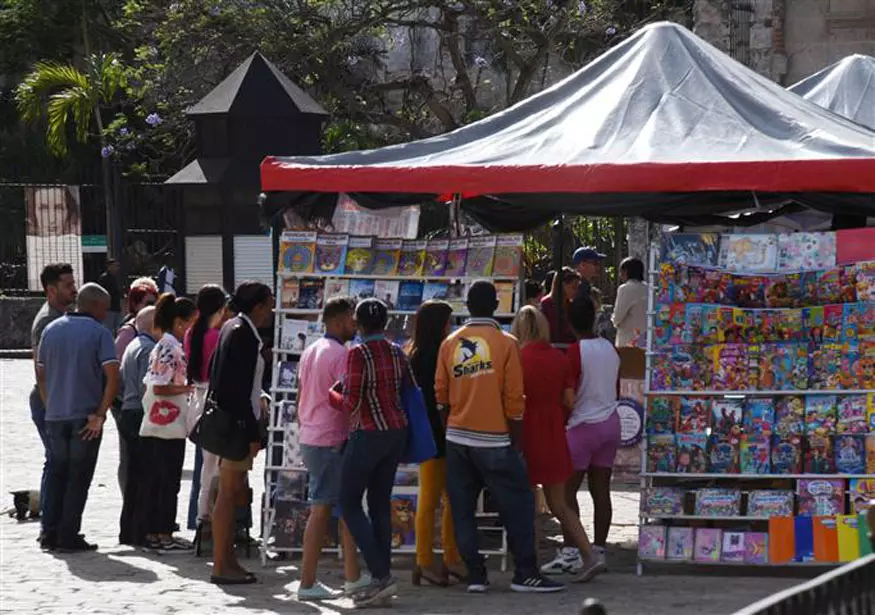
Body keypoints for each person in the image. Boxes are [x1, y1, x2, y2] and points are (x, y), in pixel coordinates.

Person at [436, 281, 564, 594]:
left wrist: (450, 428)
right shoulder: (507, 344)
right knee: (519, 504)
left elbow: (440, 396)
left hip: (457, 438)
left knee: (463, 509)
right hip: (495, 439)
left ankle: (476, 575)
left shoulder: (449, 343)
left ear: (467, 304)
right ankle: (525, 572)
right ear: (495, 305)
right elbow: (514, 400)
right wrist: (515, 440)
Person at [511, 307, 604, 582]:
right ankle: (589, 555)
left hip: (525, 432)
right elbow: (569, 401)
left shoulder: (516, 358)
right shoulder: (559, 358)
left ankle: (530, 563)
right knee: (560, 504)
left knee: (526, 503)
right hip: (553, 433)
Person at [329, 298, 410, 607]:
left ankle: (380, 573)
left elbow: (350, 401)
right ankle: (381, 577)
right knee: (379, 504)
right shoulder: (397, 352)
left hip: (369, 433)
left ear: (359, 324)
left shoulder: (357, 355)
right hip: (396, 433)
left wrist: (332, 395)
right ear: (385, 323)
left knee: (348, 502)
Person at [36, 283, 119, 552]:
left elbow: (41, 374)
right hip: (85, 416)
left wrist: (50, 406)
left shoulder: (51, 329)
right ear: (95, 306)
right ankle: (68, 535)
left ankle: (49, 533)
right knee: (78, 477)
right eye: (104, 308)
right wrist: (100, 414)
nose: (106, 314)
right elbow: (112, 377)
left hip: (56, 414)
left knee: (57, 472)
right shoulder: (100, 333)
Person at [296, 297, 369, 600]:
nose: (355, 325)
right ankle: (309, 581)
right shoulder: (342, 355)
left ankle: (351, 575)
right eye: (352, 320)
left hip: (312, 435)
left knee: (335, 507)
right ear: (339, 321)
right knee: (325, 509)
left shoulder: (311, 350)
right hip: (330, 438)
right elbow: (348, 399)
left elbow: (301, 392)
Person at [543, 297, 620, 575]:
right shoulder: (611, 350)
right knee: (602, 490)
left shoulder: (576, 352)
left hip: (582, 425)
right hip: (611, 422)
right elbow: (617, 388)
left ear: (569, 322)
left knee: (565, 493)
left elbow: (569, 394)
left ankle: (571, 551)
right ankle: (599, 548)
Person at [209, 281, 273, 585]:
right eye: (269, 305)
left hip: (233, 422)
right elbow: (237, 389)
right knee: (228, 492)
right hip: (236, 425)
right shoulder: (242, 333)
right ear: (258, 306)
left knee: (230, 492)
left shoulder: (233, 327)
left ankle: (226, 560)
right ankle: (222, 564)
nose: (271, 311)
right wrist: (251, 432)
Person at [407, 300, 465, 588]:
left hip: (426, 434)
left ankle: (426, 560)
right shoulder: (442, 354)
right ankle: (441, 559)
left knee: (431, 499)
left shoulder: (414, 355)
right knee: (445, 498)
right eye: (448, 323)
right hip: (442, 432)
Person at [138, 294, 197, 553]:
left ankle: (157, 531)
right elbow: (160, 388)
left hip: (160, 421)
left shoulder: (163, 344)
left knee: (160, 478)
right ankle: (163, 533)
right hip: (167, 424)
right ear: (180, 322)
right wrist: (187, 389)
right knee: (167, 480)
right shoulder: (170, 348)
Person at [30, 263, 77, 532]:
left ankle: (54, 522)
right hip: (50, 402)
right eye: (68, 285)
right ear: (51, 289)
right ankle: (51, 525)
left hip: (58, 401)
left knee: (59, 462)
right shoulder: (48, 321)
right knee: (57, 462)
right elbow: (41, 370)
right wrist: (52, 408)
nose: (74, 289)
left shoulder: (61, 315)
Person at [184, 285, 229, 534]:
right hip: (213, 401)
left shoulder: (193, 332)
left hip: (197, 401)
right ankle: (210, 518)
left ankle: (202, 518)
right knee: (217, 470)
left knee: (206, 468)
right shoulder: (218, 335)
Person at [117, 306, 158, 546]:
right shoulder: (148, 349)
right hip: (140, 413)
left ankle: (129, 530)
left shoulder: (133, 345)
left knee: (134, 476)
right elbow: (148, 388)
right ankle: (141, 530)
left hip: (128, 411)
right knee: (144, 476)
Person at [115, 277, 159, 359]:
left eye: (156, 304)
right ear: (135, 305)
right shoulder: (128, 331)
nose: (153, 307)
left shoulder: (158, 328)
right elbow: (117, 360)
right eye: (150, 303)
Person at [612, 257, 648, 348]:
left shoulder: (625, 289)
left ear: (626, 271)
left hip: (629, 341)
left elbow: (617, 318)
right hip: (647, 340)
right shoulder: (649, 288)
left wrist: (613, 319)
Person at [540, 267, 580, 344]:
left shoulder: (571, 305)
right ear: (563, 285)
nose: (576, 291)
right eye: (574, 287)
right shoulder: (546, 304)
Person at [98, 259, 124, 334]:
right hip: (109, 308)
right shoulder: (104, 278)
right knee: (108, 330)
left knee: (118, 329)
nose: (116, 268)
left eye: (117, 266)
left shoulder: (116, 277)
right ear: (109, 267)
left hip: (117, 308)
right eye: (114, 266)